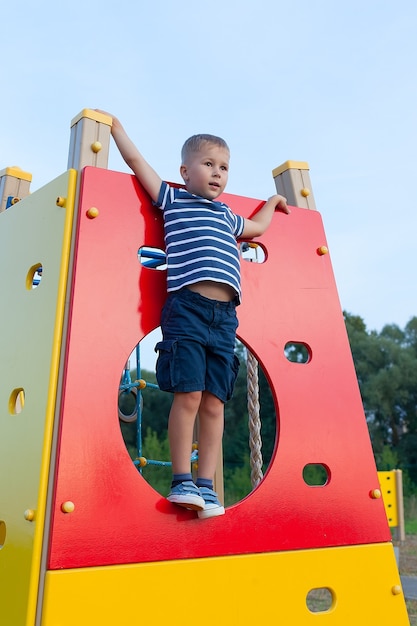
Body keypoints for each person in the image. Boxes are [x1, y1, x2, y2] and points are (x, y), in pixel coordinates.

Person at [98, 111, 290, 519]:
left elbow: (256, 228)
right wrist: (116, 128)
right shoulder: (173, 198)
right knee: (187, 394)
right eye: (208, 164)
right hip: (187, 309)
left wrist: (273, 203)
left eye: (224, 168)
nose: (218, 173)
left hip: (225, 318)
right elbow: (137, 164)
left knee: (215, 404)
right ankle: (182, 479)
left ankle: (207, 486)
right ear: (185, 172)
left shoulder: (226, 216)